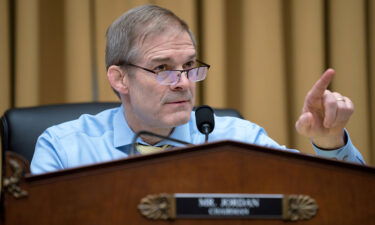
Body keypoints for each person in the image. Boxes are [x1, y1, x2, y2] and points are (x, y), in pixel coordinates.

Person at [31, 5, 364, 174]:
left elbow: (336, 200)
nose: (184, 82)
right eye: (162, 68)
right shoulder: (64, 149)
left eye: (190, 65)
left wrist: (330, 142)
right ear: (120, 79)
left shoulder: (238, 139)